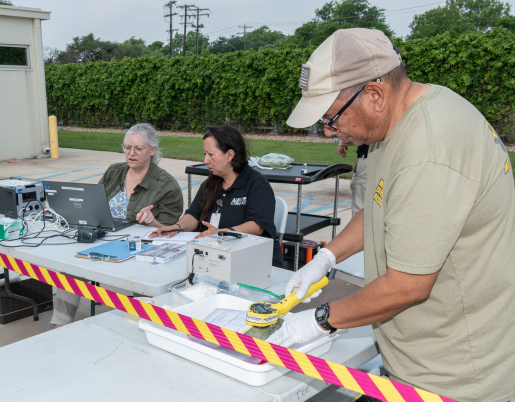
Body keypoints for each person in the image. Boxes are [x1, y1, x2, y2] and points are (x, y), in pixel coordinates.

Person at [267, 28, 515, 402]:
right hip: (413, 358)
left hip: (454, 377)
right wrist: (327, 257)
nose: (332, 132)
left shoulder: (428, 151)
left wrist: (321, 319)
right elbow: (380, 208)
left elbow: (408, 285)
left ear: (374, 94)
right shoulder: (398, 122)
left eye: (332, 118)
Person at [50, 123, 183, 328]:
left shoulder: (167, 185)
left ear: (152, 151)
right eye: (127, 147)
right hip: (103, 238)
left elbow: (172, 229)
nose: (131, 153)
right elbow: (92, 202)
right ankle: (59, 325)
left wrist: (152, 221)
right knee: (70, 268)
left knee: (145, 284)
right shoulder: (114, 171)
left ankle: (142, 327)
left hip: (139, 249)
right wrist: (63, 211)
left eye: (138, 149)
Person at [151, 125, 284, 268]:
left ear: (230, 155)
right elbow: (194, 215)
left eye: (211, 154)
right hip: (217, 259)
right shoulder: (211, 183)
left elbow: (256, 226)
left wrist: (221, 233)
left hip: (256, 262)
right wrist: (176, 227)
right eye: (204, 154)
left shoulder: (257, 184)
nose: (205, 160)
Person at [339, 141, 368, 217]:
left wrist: (343, 141)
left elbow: (363, 134)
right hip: (390, 160)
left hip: (369, 160)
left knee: (360, 211)